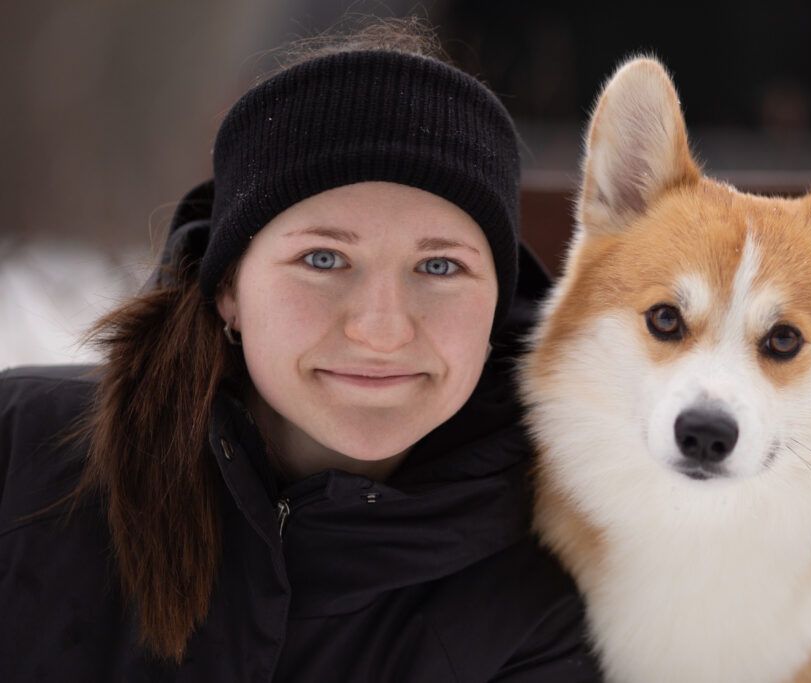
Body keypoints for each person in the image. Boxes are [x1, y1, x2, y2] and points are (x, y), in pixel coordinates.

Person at [0, 22, 602, 682]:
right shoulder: (22, 455)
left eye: (438, 267)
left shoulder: (550, 588)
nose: (382, 328)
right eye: (324, 258)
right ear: (228, 285)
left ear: (498, 304)